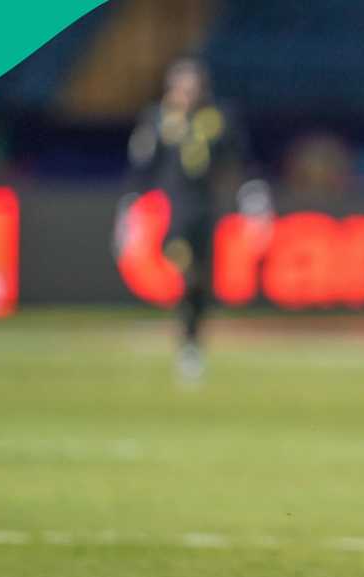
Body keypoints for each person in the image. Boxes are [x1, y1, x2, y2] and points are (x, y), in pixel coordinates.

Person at [124, 57, 248, 380]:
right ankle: (188, 336)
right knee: (184, 263)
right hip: (173, 209)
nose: (187, 92)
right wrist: (132, 202)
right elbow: (142, 164)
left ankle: (191, 345)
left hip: (206, 209)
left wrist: (248, 195)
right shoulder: (159, 118)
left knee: (201, 284)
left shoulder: (218, 118)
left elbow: (235, 160)